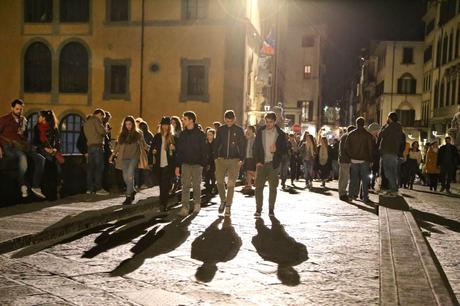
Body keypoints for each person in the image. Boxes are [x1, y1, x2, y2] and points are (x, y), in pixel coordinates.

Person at [253, 112, 287, 217]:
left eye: (270, 122)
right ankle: (258, 209)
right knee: (258, 187)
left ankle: (271, 209)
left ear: (274, 121)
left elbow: (285, 150)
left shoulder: (280, 134)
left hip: (273, 164)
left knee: (273, 188)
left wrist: (277, 150)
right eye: (266, 122)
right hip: (261, 164)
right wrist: (257, 161)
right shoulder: (260, 131)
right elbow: (255, 148)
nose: (268, 124)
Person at [109, 116, 149, 205]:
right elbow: (118, 146)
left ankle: (128, 197)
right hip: (124, 158)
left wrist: (152, 149)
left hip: (134, 157)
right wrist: (112, 156)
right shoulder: (122, 134)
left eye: (130, 124)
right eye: (126, 124)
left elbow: (144, 144)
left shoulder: (138, 134)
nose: (128, 126)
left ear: (133, 124)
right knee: (125, 177)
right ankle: (133, 190)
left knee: (130, 174)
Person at [213, 110, 246, 216]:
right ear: (224, 119)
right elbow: (216, 143)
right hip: (221, 159)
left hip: (234, 160)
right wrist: (215, 157)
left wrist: (242, 159)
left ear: (234, 119)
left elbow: (242, 145)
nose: (229, 123)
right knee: (219, 181)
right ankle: (223, 200)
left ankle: (228, 206)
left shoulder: (239, 130)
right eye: (227, 121)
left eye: (231, 121)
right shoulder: (221, 130)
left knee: (231, 183)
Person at [175, 111, 207, 216]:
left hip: (197, 164)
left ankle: (197, 205)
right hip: (185, 164)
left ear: (191, 120)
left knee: (197, 186)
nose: (182, 121)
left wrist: (202, 163)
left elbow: (204, 150)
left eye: (184, 119)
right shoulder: (183, 134)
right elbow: (179, 151)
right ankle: (185, 207)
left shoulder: (200, 134)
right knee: (185, 186)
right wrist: (178, 165)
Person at [0, 99, 31, 198]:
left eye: (21, 109)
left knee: (25, 156)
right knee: (22, 157)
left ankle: (23, 184)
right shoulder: (4, 119)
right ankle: (23, 185)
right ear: (12, 108)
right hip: (7, 146)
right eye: (17, 109)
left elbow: (25, 137)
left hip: (18, 146)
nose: (19, 111)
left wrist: (23, 133)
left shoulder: (23, 120)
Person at [31, 110, 62, 199]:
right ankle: (50, 193)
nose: (38, 118)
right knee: (49, 167)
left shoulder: (54, 127)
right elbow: (35, 142)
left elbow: (58, 141)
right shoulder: (37, 127)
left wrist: (55, 149)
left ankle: (55, 192)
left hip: (52, 152)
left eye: (39, 116)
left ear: (44, 118)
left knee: (56, 169)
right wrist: (45, 148)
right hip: (42, 151)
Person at [150, 117, 176, 211]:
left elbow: (177, 152)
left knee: (165, 185)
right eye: (163, 125)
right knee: (162, 185)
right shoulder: (157, 136)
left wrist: (174, 149)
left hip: (168, 165)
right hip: (159, 164)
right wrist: (153, 151)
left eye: (167, 125)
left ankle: (163, 204)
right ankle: (163, 202)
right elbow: (152, 148)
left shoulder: (172, 137)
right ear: (161, 126)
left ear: (169, 126)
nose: (165, 127)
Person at [345, 117, 374, 203]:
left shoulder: (350, 134)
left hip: (354, 160)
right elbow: (370, 149)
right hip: (364, 160)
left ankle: (350, 196)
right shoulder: (368, 135)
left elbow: (346, 147)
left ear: (356, 124)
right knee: (365, 180)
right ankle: (365, 198)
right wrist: (371, 160)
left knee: (353, 179)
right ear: (364, 124)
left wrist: (351, 156)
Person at [83, 109, 109, 195]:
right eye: (102, 116)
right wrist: (105, 130)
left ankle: (89, 188)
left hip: (90, 147)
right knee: (99, 168)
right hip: (98, 146)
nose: (102, 118)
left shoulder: (87, 122)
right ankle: (98, 189)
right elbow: (101, 132)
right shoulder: (97, 121)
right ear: (99, 114)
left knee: (90, 168)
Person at [379, 112, 403, 197]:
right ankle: (393, 188)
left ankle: (393, 190)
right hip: (394, 152)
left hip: (387, 152)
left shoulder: (390, 126)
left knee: (388, 172)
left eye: (388, 118)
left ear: (390, 118)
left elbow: (381, 134)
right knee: (393, 171)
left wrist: (385, 126)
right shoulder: (399, 127)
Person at [338, 125, 356, 201]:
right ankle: (342, 193)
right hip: (345, 160)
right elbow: (347, 149)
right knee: (344, 177)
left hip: (343, 159)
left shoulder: (344, 137)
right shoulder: (347, 137)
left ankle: (342, 192)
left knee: (343, 177)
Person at [137, 121, 155, 188]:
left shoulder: (144, 134)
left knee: (145, 169)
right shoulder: (149, 134)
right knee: (145, 169)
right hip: (145, 153)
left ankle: (146, 183)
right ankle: (146, 183)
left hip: (145, 153)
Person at [242, 126, 256, 194]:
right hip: (247, 157)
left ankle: (258, 178)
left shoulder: (256, 139)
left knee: (250, 170)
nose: (248, 131)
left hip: (252, 157)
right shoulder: (246, 138)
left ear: (253, 131)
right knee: (247, 171)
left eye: (249, 129)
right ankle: (249, 184)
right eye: (247, 129)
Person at [204, 128, 217, 196]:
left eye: (210, 135)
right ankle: (208, 189)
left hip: (213, 162)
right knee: (207, 176)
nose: (209, 136)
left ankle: (213, 187)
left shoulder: (215, 143)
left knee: (212, 175)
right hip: (206, 162)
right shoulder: (205, 143)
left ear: (213, 135)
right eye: (208, 135)